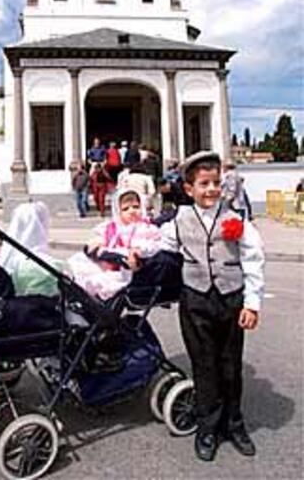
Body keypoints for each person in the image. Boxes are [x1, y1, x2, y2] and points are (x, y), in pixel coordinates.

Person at [160, 151, 265, 462]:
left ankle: (234, 424)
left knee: (231, 367)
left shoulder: (236, 219)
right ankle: (208, 428)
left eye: (216, 183)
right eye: (204, 183)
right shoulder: (177, 220)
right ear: (189, 188)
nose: (211, 189)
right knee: (204, 367)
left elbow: (253, 259)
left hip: (231, 299)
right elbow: (158, 245)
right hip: (195, 302)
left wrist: (252, 303)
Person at [68, 188, 161, 300]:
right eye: (126, 209)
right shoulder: (111, 228)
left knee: (100, 281)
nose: (132, 211)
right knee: (78, 263)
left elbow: (152, 245)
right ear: (118, 212)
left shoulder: (145, 228)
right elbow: (99, 240)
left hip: (126, 269)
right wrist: (95, 246)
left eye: (136, 207)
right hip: (108, 261)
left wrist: (138, 250)